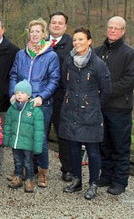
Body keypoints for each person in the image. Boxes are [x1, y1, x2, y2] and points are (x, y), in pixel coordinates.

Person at [60, 27, 112, 200]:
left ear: (89, 41)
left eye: (81, 39)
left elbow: (106, 90)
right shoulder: (69, 60)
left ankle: (93, 184)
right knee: (73, 149)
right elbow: (65, 81)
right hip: (71, 111)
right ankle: (77, 180)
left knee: (93, 150)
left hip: (90, 114)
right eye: (75, 40)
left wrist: (93, 105)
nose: (77, 43)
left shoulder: (98, 64)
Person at [9, 18, 60, 188]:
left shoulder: (51, 55)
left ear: (44, 34)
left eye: (38, 31)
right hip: (21, 102)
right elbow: (14, 75)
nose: (35, 34)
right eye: (32, 31)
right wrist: (13, 94)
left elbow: (54, 80)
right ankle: (24, 170)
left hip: (41, 103)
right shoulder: (21, 54)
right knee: (22, 137)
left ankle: (42, 172)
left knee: (40, 138)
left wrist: (42, 97)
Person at [94, 16, 134, 195]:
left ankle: (120, 181)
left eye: (116, 28)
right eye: (110, 27)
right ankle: (105, 175)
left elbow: (131, 80)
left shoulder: (129, 53)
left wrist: (106, 90)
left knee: (120, 146)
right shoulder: (98, 51)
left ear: (123, 31)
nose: (112, 30)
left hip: (120, 108)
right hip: (101, 107)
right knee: (103, 144)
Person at [3, 80, 44, 193]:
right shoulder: (12, 109)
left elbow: (38, 131)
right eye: (17, 93)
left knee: (28, 162)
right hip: (16, 142)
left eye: (22, 92)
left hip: (28, 144)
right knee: (17, 161)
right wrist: (6, 140)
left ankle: (29, 179)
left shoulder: (35, 110)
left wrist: (37, 146)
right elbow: (8, 125)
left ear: (29, 95)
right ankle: (18, 177)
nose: (19, 95)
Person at [48, 12, 75, 182]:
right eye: (54, 22)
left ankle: (68, 169)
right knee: (39, 133)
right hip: (42, 97)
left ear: (65, 26)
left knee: (64, 135)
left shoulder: (73, 44)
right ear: (49, 25)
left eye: (60, 23)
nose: (56, 25)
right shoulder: (40, 43)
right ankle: (36, 167)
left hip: (62, 98)